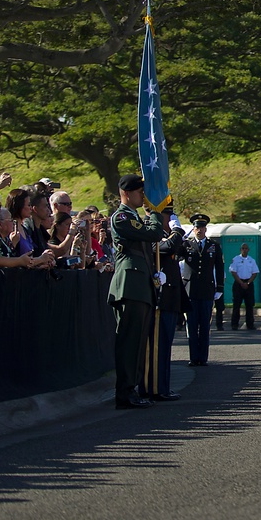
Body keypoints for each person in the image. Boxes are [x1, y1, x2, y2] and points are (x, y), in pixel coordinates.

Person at [108, 173, 165, 410]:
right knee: (129, 342)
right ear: (126, 193)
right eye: (139, 192)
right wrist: (155, 214)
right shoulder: (122, 217)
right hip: (129, 286)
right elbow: (154, 233)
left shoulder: (134, 217)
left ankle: (132, 389)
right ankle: (125, 392)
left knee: (138, 342)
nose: (143, 195)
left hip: (140, 286)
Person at [140, 206, 187, 402]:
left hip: (171, 297)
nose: (171, 217)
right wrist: (176, 231)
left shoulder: (167, 234)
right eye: (169, 214)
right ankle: (155, 388)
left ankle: (164, 386)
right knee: (157, 345)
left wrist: (176, 233)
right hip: (160, 297)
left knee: (166, 345)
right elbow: (165, 248)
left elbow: (182, 249)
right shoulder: (150, 233)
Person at [184, 214, 224, 365]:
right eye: (196, 227)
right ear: (193, 229)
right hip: (191, 290)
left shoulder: (213, 246)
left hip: (207, 290)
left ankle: (203, 357)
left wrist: (219, 287)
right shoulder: (187, 245)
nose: (199, 230)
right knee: (192, 326)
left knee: (205, 326)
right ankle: (194, 357)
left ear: (205, 229)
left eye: (201, 227)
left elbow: (220, 267)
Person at [230, 242, 259, 329]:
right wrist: (241, 283)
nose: (245, 250)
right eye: (243, 248)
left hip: (248, 283)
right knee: (236, 305)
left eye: (246, 248)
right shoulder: (236, 259)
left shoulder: (251, 260)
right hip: (239, 283)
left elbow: (255, 273)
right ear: (240, 250)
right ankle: (235, 324)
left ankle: (250, 324)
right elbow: (233, 272)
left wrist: (248, 283)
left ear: (248, 250)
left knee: (249, 305)